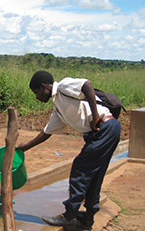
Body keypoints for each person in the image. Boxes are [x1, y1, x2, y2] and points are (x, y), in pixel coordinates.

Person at [16, 71, 121, 230]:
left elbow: (87, 84)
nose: (37, 97)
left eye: (36, 92)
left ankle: (69, 216)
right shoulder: (58, 107)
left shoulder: (63, 87)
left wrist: (95, 115)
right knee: (94, 175)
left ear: (44, 87)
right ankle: (88, 218)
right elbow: (46, 132)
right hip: (104, 132)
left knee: (80, 170)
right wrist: (26, 147)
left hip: (104, 128)